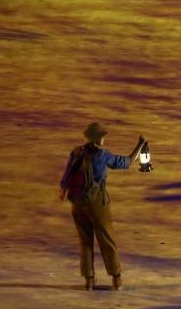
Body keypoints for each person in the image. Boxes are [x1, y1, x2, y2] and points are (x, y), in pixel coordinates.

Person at [59, 123, 146, 291]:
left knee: (85, 242)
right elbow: (127, 162)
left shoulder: (76, 152)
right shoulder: (103, 155)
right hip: (97, 203)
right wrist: (140, 145)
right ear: (98, 139)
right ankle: (116, 278)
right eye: (102, 136)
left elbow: (66, 174)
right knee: (107, 239)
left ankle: (89, 281)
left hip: (77, 203)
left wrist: (63, 190)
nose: (104, 138)